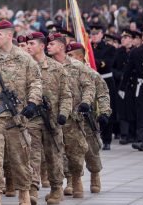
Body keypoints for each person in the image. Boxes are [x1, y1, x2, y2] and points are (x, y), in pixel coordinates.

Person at [0, 20, 42, 205]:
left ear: (9, 35)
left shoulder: (24, 58)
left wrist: (32, 103)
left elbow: (36, 82)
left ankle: (24, 192)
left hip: (18, 116)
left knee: (20, 157)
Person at [25, 32, 72, 204]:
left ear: (42, 46)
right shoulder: (25, 66)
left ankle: (56, 188)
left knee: (54, 156)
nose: (28, 47)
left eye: (32, 44)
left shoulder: (57, 68)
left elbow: (66, 95)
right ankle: (32, 190)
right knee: (31, 155)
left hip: (52, 121)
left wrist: (63, 114)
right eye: (27, 44)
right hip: (31, 120)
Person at [46, 33, 94, 198]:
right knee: (55, 153)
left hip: (73, 117)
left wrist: (86, 102)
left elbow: (88, 86)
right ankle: (60, 185)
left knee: (75, 151)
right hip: (52, 117)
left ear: (61, 46)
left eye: (51, 44)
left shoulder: (77, 66)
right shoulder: (45, 66)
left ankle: (76, 179)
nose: (47, 46)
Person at [66, 42, 112, 194]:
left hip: (87, 118)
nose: (68, 58)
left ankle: (95, 175)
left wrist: (104, 113)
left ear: (79, 56)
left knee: (92, 151)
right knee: (70, 152)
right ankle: (73, 180)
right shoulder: (64, 72)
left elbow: (103, 94)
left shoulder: (92, 74)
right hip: (70, 118)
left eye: (70, 55)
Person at [89, 25, 117, 150]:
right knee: (92, 110)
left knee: (106, 109)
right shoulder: (87, 47)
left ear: (102, 34)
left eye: (96, 33)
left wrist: (92, 61)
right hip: (91, 81)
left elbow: (105, 64)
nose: (94, 36)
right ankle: (94, 137)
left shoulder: (110, 48)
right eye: (92, 34)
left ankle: (107, 139)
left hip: (105, 81)